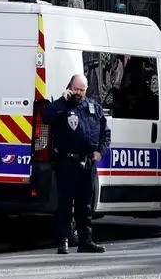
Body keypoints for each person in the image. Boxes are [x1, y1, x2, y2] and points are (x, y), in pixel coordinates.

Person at [42, 74, 111, 254]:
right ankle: (63, 240)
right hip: (67, 162)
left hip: (88, 163)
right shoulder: (62, 106)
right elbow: (46, 117)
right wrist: (61, 101)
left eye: (82, 89)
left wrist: (100, 151)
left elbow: (105, 133)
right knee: (65, 203)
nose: (79, 93)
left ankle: (85, 241)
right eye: (76, 89)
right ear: (70, 87)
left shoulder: (93, 107)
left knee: (85, 205)